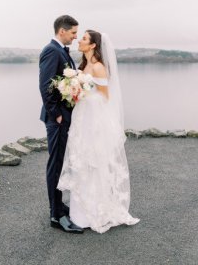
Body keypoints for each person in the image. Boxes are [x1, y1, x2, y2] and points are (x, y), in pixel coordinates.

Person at [57, 30, 140, 233]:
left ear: (93, 45)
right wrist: (75, 91)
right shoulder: (84, 66)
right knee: (81, 162)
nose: (80, 41)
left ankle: (96, 211)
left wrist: (81, 92)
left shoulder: (98, 67)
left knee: (93, 163)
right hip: (82, 117)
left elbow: (104, 97)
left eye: (84, 39)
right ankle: (80, 212)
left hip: (93, 120)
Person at [38, 15, 84, 233]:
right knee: (55, 165)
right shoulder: (51, 51)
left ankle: (59, 205)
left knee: (61, 163)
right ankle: (56, 215)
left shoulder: (62, 51)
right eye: (74, 33)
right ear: (62, 31)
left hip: (65, 117)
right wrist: (56, 114)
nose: (75, 37)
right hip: (56, 120)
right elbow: (45, 85)